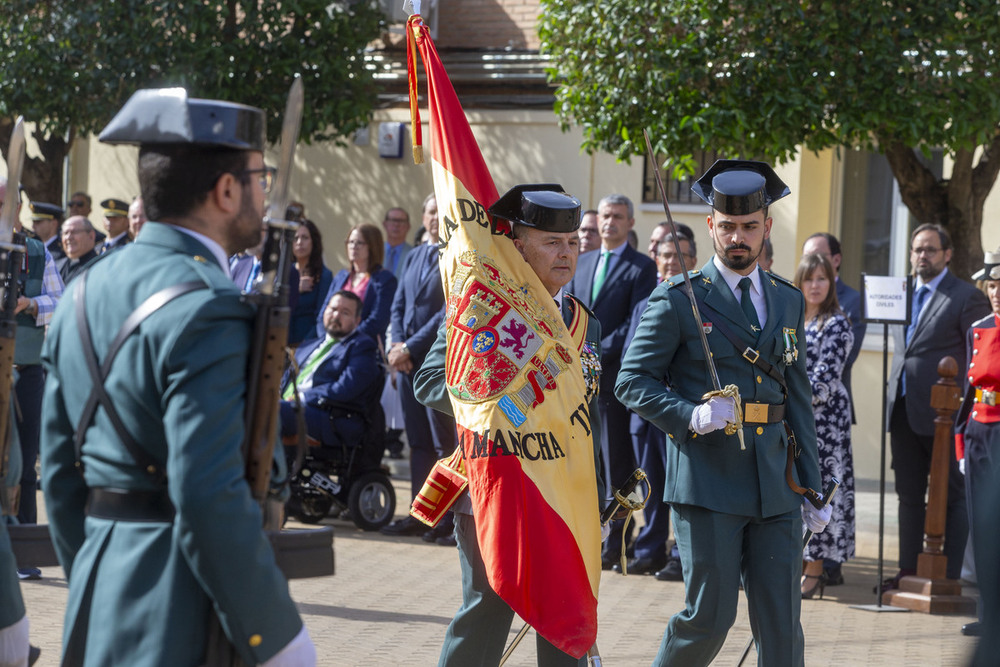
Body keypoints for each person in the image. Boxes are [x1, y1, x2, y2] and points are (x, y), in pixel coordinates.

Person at [40, 87, 314, 666]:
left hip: (99, 599)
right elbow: (207, 492)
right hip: (182, 613)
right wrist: (277, 637)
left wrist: (100, 574)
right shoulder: (210, 305)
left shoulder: (82, 292)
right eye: (259, 178)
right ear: (225, 190)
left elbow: (62, 481)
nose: (265, 194)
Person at [616, 159, 828, 666]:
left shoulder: (787, 301)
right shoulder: (677, 299)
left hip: (776, 483)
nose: (738, 237)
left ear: (766, 229)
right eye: (728, 226)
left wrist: (813, 484)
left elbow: (796, 396)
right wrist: (687, 415)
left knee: (782, 626)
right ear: (711, 225)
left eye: (749, 227)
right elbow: (631, 381)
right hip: (709, 481)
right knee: (709, 619)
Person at [413, 184, 602, 667]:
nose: (566, 253)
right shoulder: (479, 307)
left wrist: (594, 493)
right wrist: (493, 402)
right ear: (518, 247)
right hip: (492, 484)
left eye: (573, 242)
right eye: (551, 242)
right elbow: (430, 380)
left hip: (559, 491)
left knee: (563, 614)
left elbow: (585, 414)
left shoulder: (583, 323)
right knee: (487, 609)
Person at [885, 223, 990, 588]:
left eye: (930, 249)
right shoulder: (900, 292)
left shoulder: (964, 296)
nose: (921, 257)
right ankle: (908, 571)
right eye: (917, 250)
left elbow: (975, 356)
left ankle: (947, 575)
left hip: (945, 414)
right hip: (902, 407)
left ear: (947, 254)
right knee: (908, 495)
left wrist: (961, 408)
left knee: (950, 495)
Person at [565, 193, 657, 569]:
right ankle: (585, 534)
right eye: (605, 215)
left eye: (618, 216)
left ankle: (615, 540)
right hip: (572, 381)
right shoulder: (581, 261)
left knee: (616, 465)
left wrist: (589, 349)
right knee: (584, 464)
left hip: (612, 382)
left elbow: (635, 326)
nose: (610, 223)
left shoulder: (642, 268)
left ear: (630, 223)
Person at [381, 194, 457, 544]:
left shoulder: (455, 256)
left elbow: (447, 312)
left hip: (435, 364)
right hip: (408, 362)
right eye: (431, 212)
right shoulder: (413, 255)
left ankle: (446, 519)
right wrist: (397, 346)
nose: (435, 218)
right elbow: (399, 305)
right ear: (423, 217)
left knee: (444, 444)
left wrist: (409, 348)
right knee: (418, 443)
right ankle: (420, 512)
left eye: (442, 212)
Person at [0, 178, 65, 582]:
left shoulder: (37, 249)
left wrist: (29, 303)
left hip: (26, 366)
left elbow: (60, 299)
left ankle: (22, 549)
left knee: (24, 460)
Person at [794, 252, 856, 599]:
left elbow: (822, 383)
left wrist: (782, 390)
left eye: (822, 279)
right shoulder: (793, 320)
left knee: (821, 493)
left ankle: (815, 571)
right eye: (809, 279)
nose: (815, 286)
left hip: (825, 423)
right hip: (796, 419)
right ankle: (800, 564)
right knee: (797, 488)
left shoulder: (837, 324)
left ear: (831, 284)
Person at [952, 248, 1000, 638]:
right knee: (982, 528)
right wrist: (961, 440)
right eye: (992, 284)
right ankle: (989, 615)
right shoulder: (980, 326)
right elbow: (969, 392)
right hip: (978, 431)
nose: (996, 291)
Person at [280, 290, 381, 445]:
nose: (336, 315)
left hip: (327, 416)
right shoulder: (308, 345)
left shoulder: (362, 347)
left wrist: (303, 398)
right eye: (332, 309)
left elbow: (344, 389)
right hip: (289, 406)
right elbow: (284, 380)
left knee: (275, 411)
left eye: (345, 313)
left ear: (357, 321)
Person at [315, 223, 397, 344]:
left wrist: (345, 340)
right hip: (330, 343)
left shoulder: (385, 279)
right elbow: (324, 312)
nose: (354, 246)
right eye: (350, 242)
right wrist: (327, 338)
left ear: (372, 246)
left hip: (362, 346)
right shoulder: (341, 276)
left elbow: (377, 321)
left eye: (360, 243)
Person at [289, 219, 333, 346]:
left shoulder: (324, 275)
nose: (299, 243)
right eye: (295, 238)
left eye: (305, 238)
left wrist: (304, 346)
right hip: (280, 343)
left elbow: (321, 316)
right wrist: (295, 290)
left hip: (307, 344)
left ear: (314, 241)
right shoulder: (284, 273)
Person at [56, 216, 99, 285]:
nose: (69, 237)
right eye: (65, 233)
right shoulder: (57, 266)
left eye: (74, 232)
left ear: (91, 236)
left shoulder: (99, 267)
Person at [382, 206, 412, 278]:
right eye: (393, 220)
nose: (396, 225)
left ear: (408, 226)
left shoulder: (413, 254)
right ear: (385, 224)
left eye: (401, 221)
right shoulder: (375, 251)